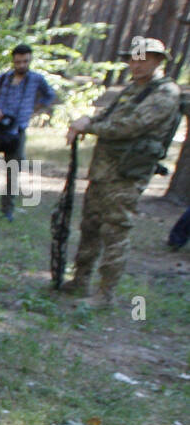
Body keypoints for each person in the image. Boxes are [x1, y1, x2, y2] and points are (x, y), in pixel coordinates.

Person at [64, 36, 183, 306]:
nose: (136, 64)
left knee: (115, 231)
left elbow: (130, 126)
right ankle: (80, 281)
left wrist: (88, 127)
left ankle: (104, 294)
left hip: (127, 175)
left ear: (157, 61)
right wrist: (87, 120)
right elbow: (109, 117)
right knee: (90, 226)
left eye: (143, 59)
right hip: (104, 170)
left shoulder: (165, 93)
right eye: (133, 59)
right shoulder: (131, 89)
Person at [0, 43, 56, 220]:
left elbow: (50, 96)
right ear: (13, 61)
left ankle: (7, 211)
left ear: (30, 60)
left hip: (18, 129)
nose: (21, 65)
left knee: (13, 171)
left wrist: (35, 110)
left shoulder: (37, 80)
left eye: (25, 61)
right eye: (18, 61)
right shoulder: (1, 79)